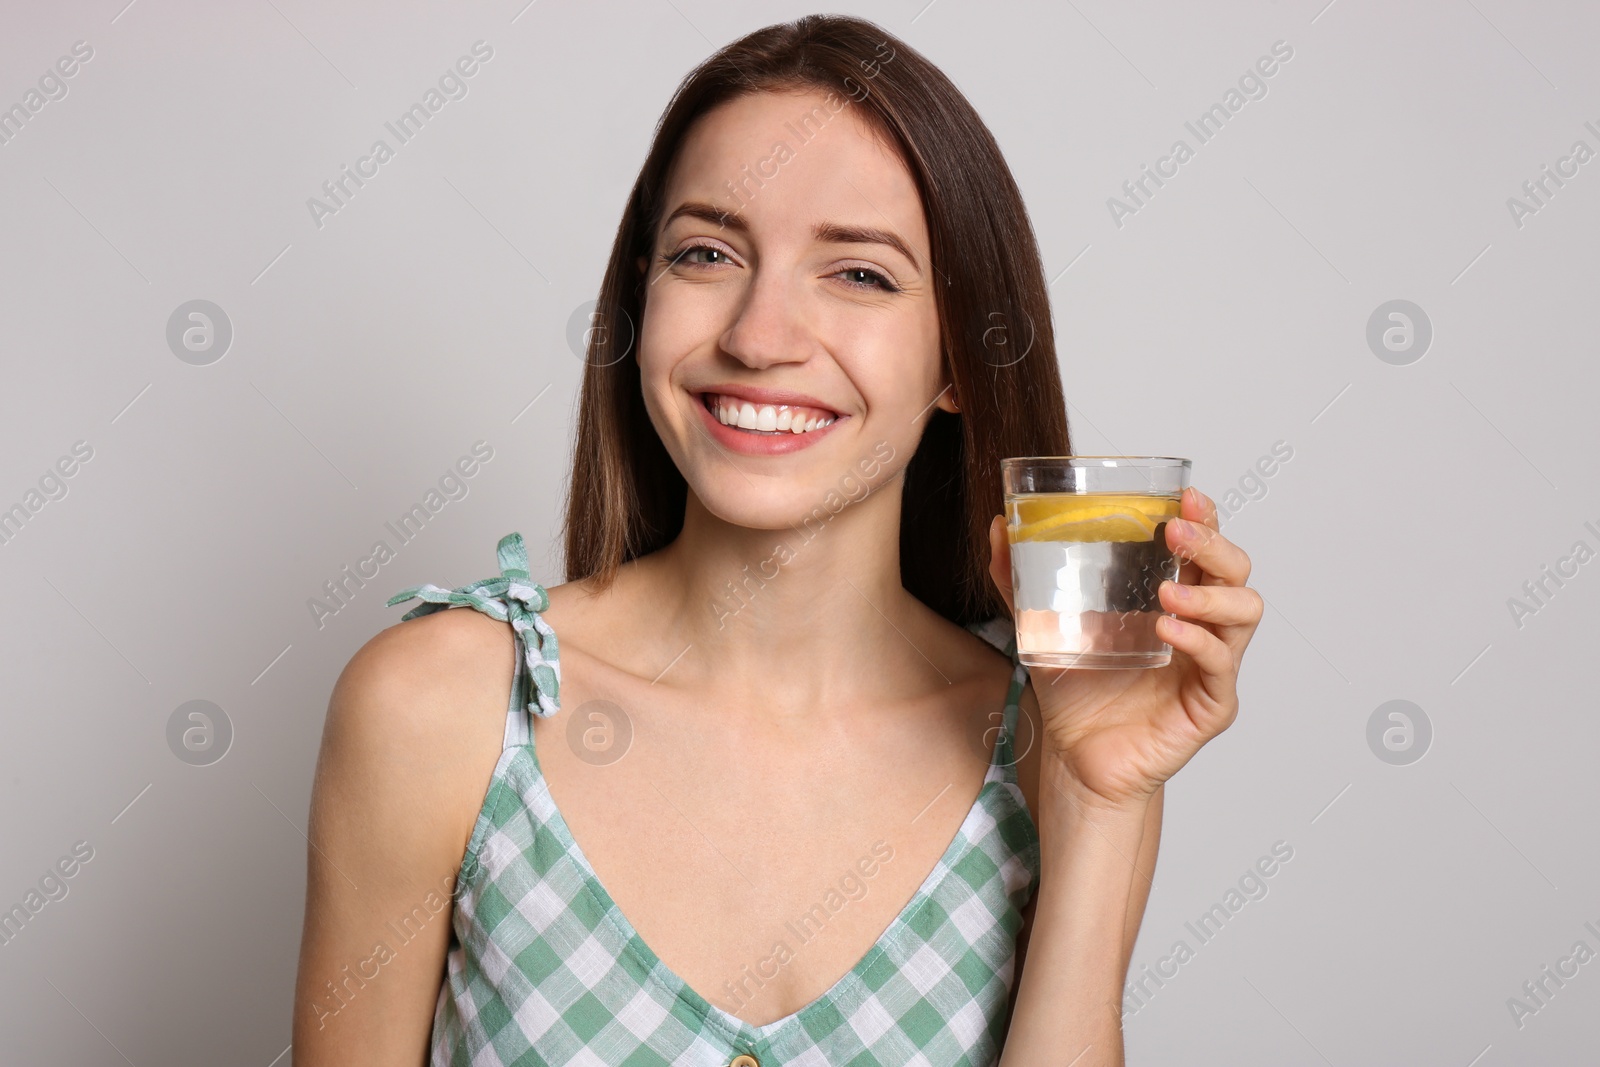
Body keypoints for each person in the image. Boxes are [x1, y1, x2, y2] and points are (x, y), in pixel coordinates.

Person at [292, 14, 1261, 1066]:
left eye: (859, 274)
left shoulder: (1053, 749)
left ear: (959, 362)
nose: (757, 336)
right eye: (706, 253)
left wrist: (1101, 800)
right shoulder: (441, 708)